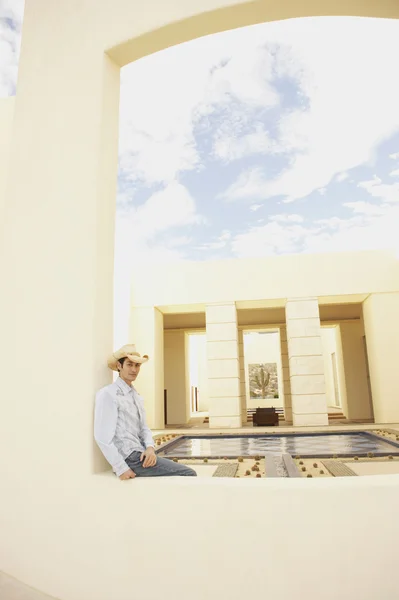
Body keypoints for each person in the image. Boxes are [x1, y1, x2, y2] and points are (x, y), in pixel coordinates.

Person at [94, 344, 197, 479]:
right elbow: (102, 437)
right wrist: (121, 468)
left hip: (141, 453)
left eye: (137, 366)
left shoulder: (136, 396)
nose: (134, 369)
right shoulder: (108, 394)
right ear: (119, 366)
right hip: (129, 458)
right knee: (189, 473)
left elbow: (144, 428)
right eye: (129, 365)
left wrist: (150, 448)